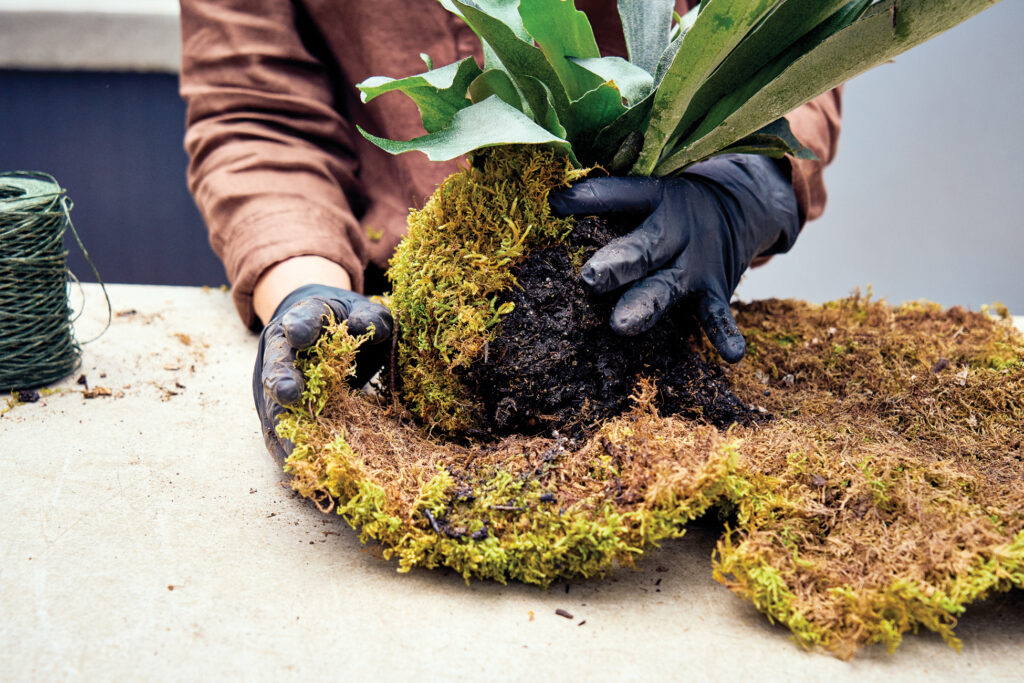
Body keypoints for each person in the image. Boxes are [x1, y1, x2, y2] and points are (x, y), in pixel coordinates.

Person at [179, 0, 842, 459]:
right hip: (398, 326)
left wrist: (739, 187)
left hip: (652, 272)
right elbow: (257, 112)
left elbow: (791, 29)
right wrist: (304, 289)